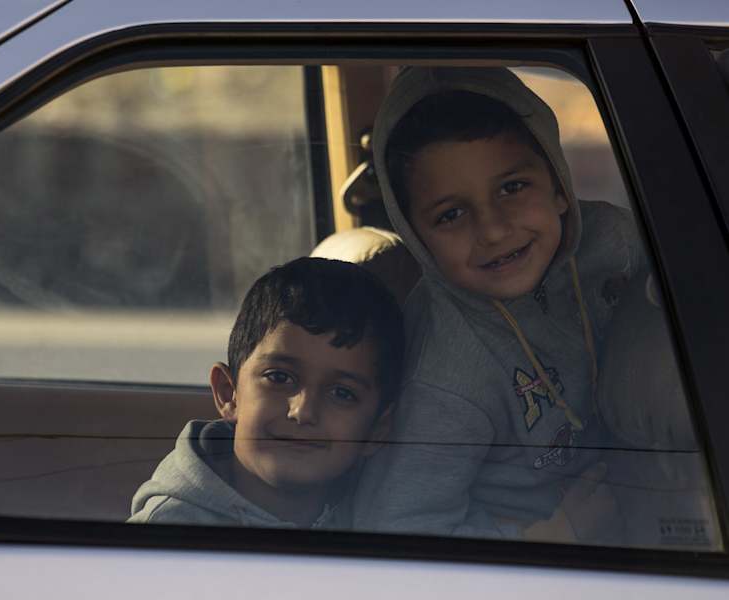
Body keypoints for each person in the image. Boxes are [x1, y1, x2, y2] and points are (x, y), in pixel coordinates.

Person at [354, 67, 645, 543]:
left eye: (512, 188)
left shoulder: (618, 243)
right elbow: (398, 531)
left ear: (558, 186)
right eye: (451, 214)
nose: (492, 230)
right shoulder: (444, 372)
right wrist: (552, 538)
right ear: (416, 237)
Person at [129, 257, 404, 528]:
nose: (303, 411)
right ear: (229, 393)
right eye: (279, 377)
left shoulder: (382, 521)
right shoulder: (167, 536)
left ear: (377, 429)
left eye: (342, 393)